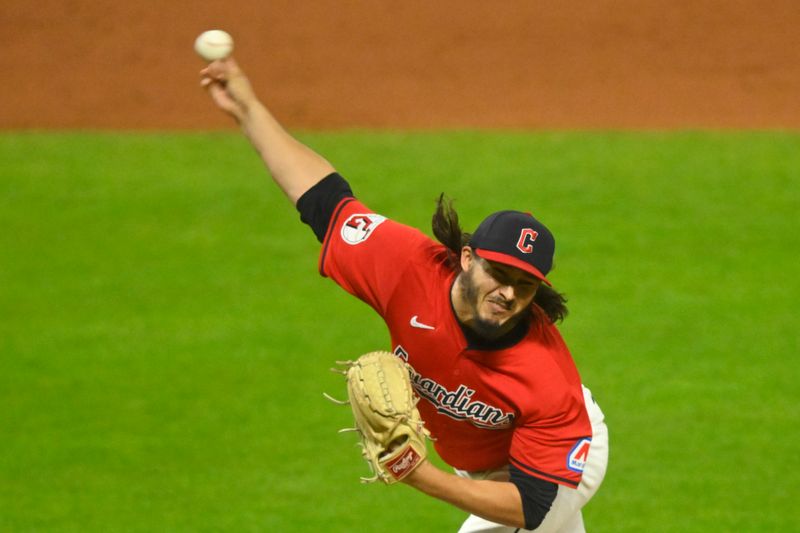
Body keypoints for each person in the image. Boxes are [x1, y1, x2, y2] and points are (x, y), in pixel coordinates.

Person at [200, 57, 608, 533]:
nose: (508, 293)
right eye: (499, 273)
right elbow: (322, 200)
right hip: (486, 468)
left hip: (550, 471)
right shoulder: (407, 267)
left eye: (525, 285)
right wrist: (248, 109)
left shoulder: (545, 376)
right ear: (468, 257)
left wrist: (419, 475)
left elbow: (530, 507)